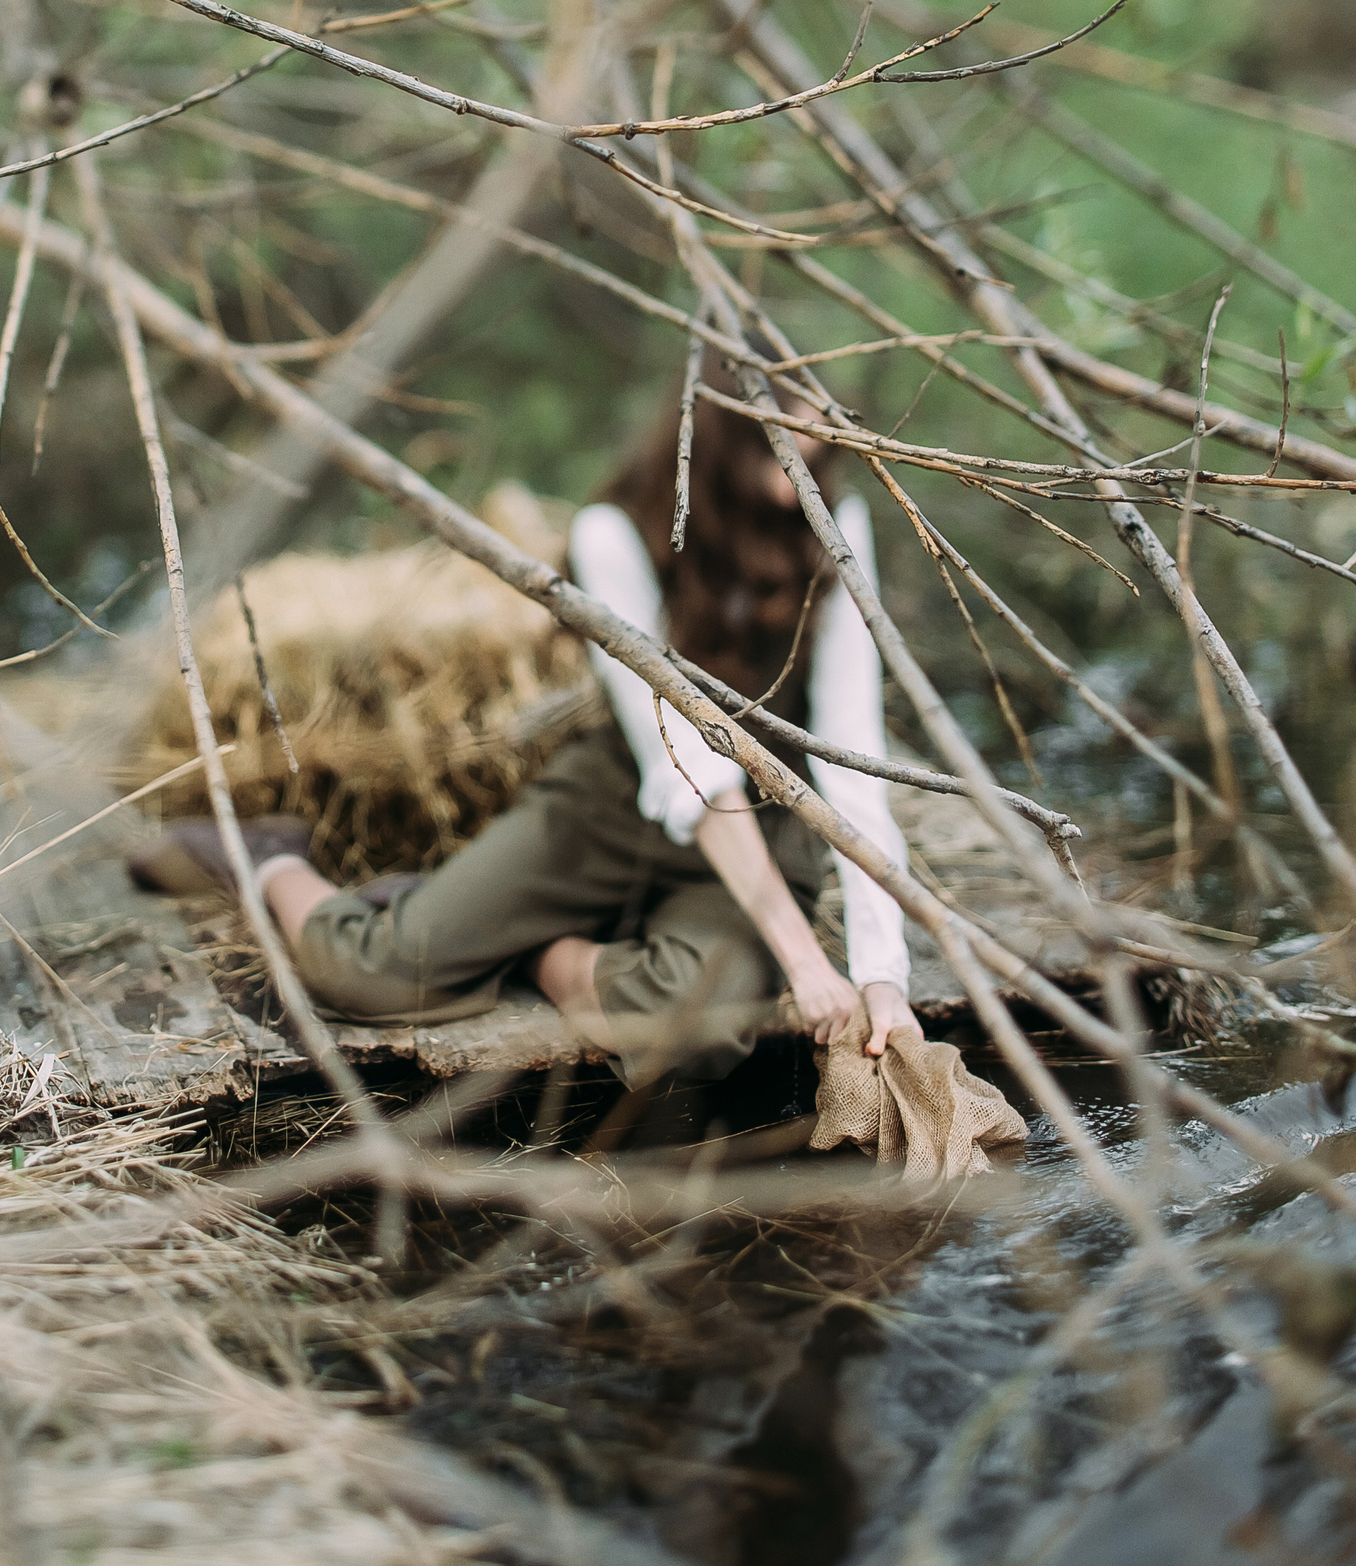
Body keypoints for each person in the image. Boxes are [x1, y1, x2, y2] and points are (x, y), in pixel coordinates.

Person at [130, 371, 919, 1089]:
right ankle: (270, 860)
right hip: (619, 805)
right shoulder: (617, 533)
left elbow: (854, 755)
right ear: (721, 421)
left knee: (696, 1032)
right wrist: (806, 960)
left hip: (763, 828)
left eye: (822, 413)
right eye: (785, 414)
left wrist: (883, 973)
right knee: (368, 975)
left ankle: (535, 947)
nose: (810, 435)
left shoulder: (834, 520)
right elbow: (683, 758)